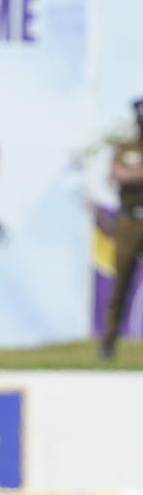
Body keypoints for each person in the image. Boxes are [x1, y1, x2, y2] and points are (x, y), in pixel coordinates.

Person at [100, 99, 143, 360]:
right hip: (129, 221)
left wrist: (133, 172)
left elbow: (128, 175)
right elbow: (117, 174)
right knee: (121, 284)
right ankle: (108, 345)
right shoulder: (125, 147)